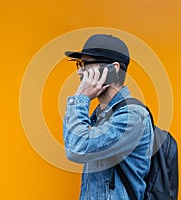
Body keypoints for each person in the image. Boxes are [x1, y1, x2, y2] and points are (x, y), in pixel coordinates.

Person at [63, 34, 154, 200]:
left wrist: (80, 97)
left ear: (113, 69)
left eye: (86, 64)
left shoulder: (132, 116)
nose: (80, 72)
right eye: (79, 64)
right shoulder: (100, 117)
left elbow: (76, 149)